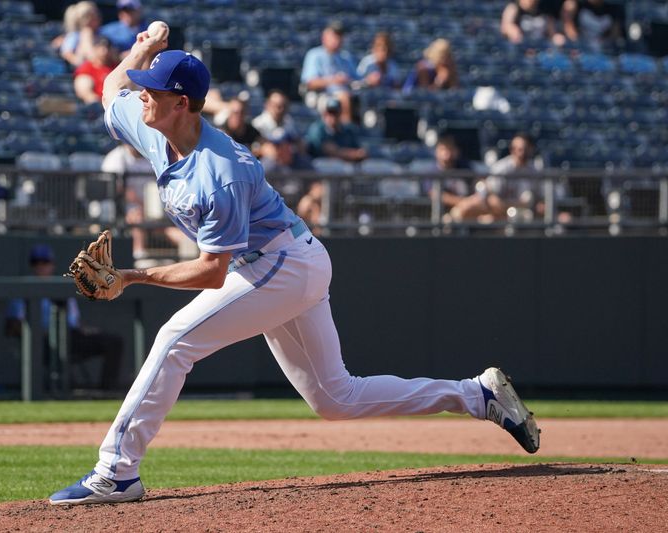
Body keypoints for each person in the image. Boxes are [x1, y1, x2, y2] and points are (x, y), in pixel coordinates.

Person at [48, 31, 540, 505]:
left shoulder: (223, 172)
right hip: (281, 260)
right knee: (336, 398)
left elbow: (213, 272)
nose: (143, 96)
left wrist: (133, 277)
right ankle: (477, 395)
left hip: (281, 265)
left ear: (181, 103)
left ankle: (115, 472)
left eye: (153, 89)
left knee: (174, 342)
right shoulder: (154, 123)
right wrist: (142, 50)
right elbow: (112, 88)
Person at [5, 244, 124, 390]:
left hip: (71, 337)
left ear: (52, 265)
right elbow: (14, 325)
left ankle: (107, 391)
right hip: (43, 342)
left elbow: (74, 320)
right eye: (36, 263)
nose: (41, 266)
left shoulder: (61, 286)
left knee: (114, 342)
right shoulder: (23, 289)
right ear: (32, 265)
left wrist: (84, 328)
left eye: (45, 262)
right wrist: (35, 334)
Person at [101, 143, 193, 266]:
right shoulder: (117, 158)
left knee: (171, 223)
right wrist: (144, 206)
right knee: (137, 216)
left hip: (153, 208)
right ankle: (140, 256)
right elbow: (118, 189)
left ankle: (190, 255)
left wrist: (152, 209)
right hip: (122, 210)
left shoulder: (151, 156)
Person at [450, 133, 545, 223]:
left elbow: (537, 200)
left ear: (531, 149)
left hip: (523, 213)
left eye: (524, 149)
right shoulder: (501, 168)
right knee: (464, 211)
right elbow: (492, 200)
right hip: (498, 210)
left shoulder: (534, 171)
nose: (520, 153)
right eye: (516, 149)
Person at [300, 20, 359, 123]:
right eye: (334, 36)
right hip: (321, 95)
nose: (337, 40)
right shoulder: (315, 55)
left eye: (339, 36)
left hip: (348, 94)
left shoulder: (345, 57)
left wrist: (369, 81)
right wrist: (334, 80)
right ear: (324, 38)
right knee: (343, 97)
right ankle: (346, 132)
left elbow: (356, 80)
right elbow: (310, 83)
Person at [304, 97, 367, 162]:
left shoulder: (348, 130)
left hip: (344, 169)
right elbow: (330, 150)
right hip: (317, 169)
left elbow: (361, 152)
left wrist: (358, 154)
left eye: (335, 113)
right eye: (330, 113)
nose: (332, 116)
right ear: (324, 114)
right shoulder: (317, 128)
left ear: (340, 114)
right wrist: (353, 154)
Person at [421, 135, 474, 213]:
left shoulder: (465, 168)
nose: (447, 154)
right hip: (443, 213)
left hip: (469, 210)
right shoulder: (431, 172)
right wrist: (463, 203)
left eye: (451, 149)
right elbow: (434, 194)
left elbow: (477, 183)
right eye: (443, 150)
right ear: (436, 151)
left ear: (457, 151)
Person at [500, 0, 567, 46]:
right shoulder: (514, 7)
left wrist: (556, 38)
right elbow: (506, 26)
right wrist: (513, 31)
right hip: (521, 47)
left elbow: (552, 33)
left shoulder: (545, 9)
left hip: (541, 48)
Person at [73, 36, 118, 104]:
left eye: (108, 48)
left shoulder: (116, 67)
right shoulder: (87, 67)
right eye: (101, 48)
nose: (105, 51)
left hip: (114, 104)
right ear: (95, 48)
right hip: (95, 106)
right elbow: (84, 91)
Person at [59, 1, 103, 68]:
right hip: (83, 68)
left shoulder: (101, 34)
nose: (98, 18)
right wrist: (80, 63)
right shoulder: (75, 35)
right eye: (94, 16)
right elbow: (67, 53)